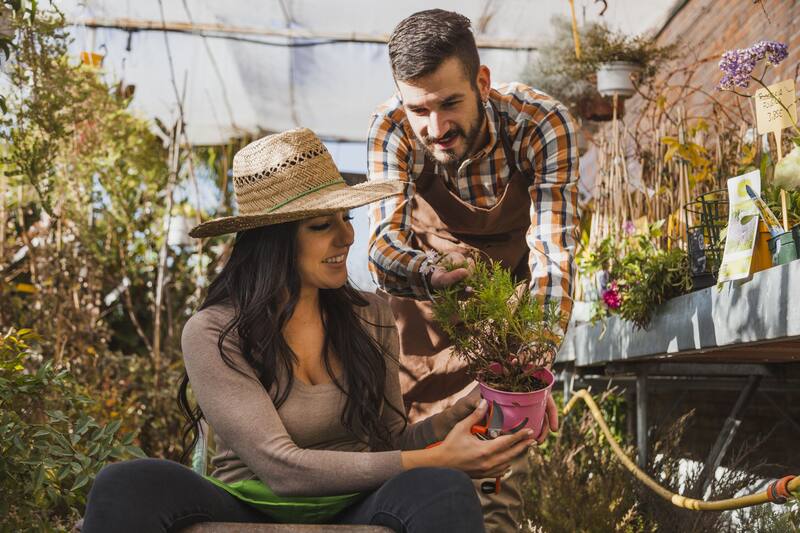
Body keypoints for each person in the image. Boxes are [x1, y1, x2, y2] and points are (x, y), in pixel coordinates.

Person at [81, 128, 539, 533]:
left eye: (347, 219)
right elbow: (280, 468)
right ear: (273, 242)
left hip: (355, 505)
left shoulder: (371, 315)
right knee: (127, 485)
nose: (346, 238)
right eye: (323, 225)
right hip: (248, 503)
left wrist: (471, 407)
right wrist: (435, 458)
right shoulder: (216, 331)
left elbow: (388, 443)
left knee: (441, 489)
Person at [367, 9, 580, 531]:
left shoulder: (541, 124)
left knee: (494, 501)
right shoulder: (392, 128)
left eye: (450, 104)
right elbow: (381, 247)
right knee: (417, 493)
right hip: (422, 333)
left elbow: (553, 256)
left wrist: (530, 364)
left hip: (505, 329)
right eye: (419, 109)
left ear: (481, 82)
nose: (435, 128)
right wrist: (432, 271)